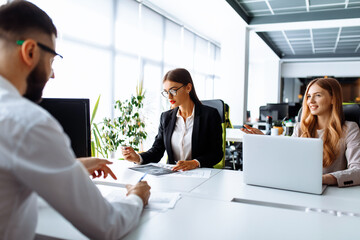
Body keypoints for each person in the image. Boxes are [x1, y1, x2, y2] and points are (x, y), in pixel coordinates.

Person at [0, 1, 150, 239]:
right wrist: (137, 196)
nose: (53, 73)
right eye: (51, 60)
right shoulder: (27, 122)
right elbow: (108, 225)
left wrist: (74, 166)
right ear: (29, 51)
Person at [241, 78, 360, 187]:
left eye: (318, 95)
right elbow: (286, 156)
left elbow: (357, 170)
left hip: (332, 192)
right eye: (308, 96)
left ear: (333, 98)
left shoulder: (350, 129)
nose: (311, 101)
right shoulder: (301, 128)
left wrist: (321, 179)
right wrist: (264, 140)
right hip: (300, 187)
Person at [122, 68, 223, 171]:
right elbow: (157, 151)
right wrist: (138, 158)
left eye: (173, 91)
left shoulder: (210, 115)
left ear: (188, 88)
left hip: (200, 176)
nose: (169, 96)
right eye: (166, 92)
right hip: (173, 175)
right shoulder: (166, 117)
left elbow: (217, 153)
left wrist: (195, 163)